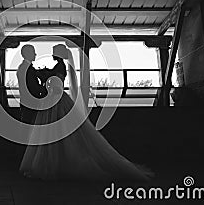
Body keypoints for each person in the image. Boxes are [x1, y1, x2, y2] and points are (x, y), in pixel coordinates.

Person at [19, 44, 154, 181]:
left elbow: (55, 85)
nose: (52, 54)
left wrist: (45, 82)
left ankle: (54, 164)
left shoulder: (59, 67)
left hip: (56, 102)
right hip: (54, 102)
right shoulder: (58, 67)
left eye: (54, 52)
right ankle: (59, 164)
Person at [16, 44, 47, 124]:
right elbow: (33, 87)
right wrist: (45, 90)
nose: (35, 54)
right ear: (28, 54)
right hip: (31, 102)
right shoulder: (28, 69)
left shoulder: (23, 67)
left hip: (25, 100)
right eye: (33, 52)